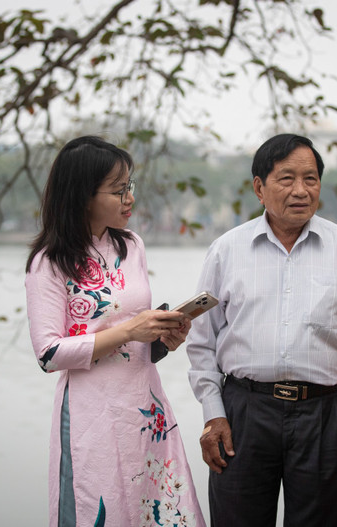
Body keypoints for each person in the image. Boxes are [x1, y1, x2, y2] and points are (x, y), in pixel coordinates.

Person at [186, 133, 337, 526]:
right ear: (259, 187)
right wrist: (213, 413)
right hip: (243, 415)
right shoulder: (226, 250)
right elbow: (202, 343)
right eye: (287, 179)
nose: (301, 190)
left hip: (326, 414)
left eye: (311, 179)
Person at [24, 136, 205, 527]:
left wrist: (163, 338)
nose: (129, 199)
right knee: (99, 506)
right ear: (83, 195)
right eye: (118, 190)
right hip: (93, 412)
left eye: (130, 187)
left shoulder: (131, 246)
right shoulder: (49, 262)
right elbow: (48, 355)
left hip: (146, 406)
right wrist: (129, 331)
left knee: (158, 508)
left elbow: (139, 334)